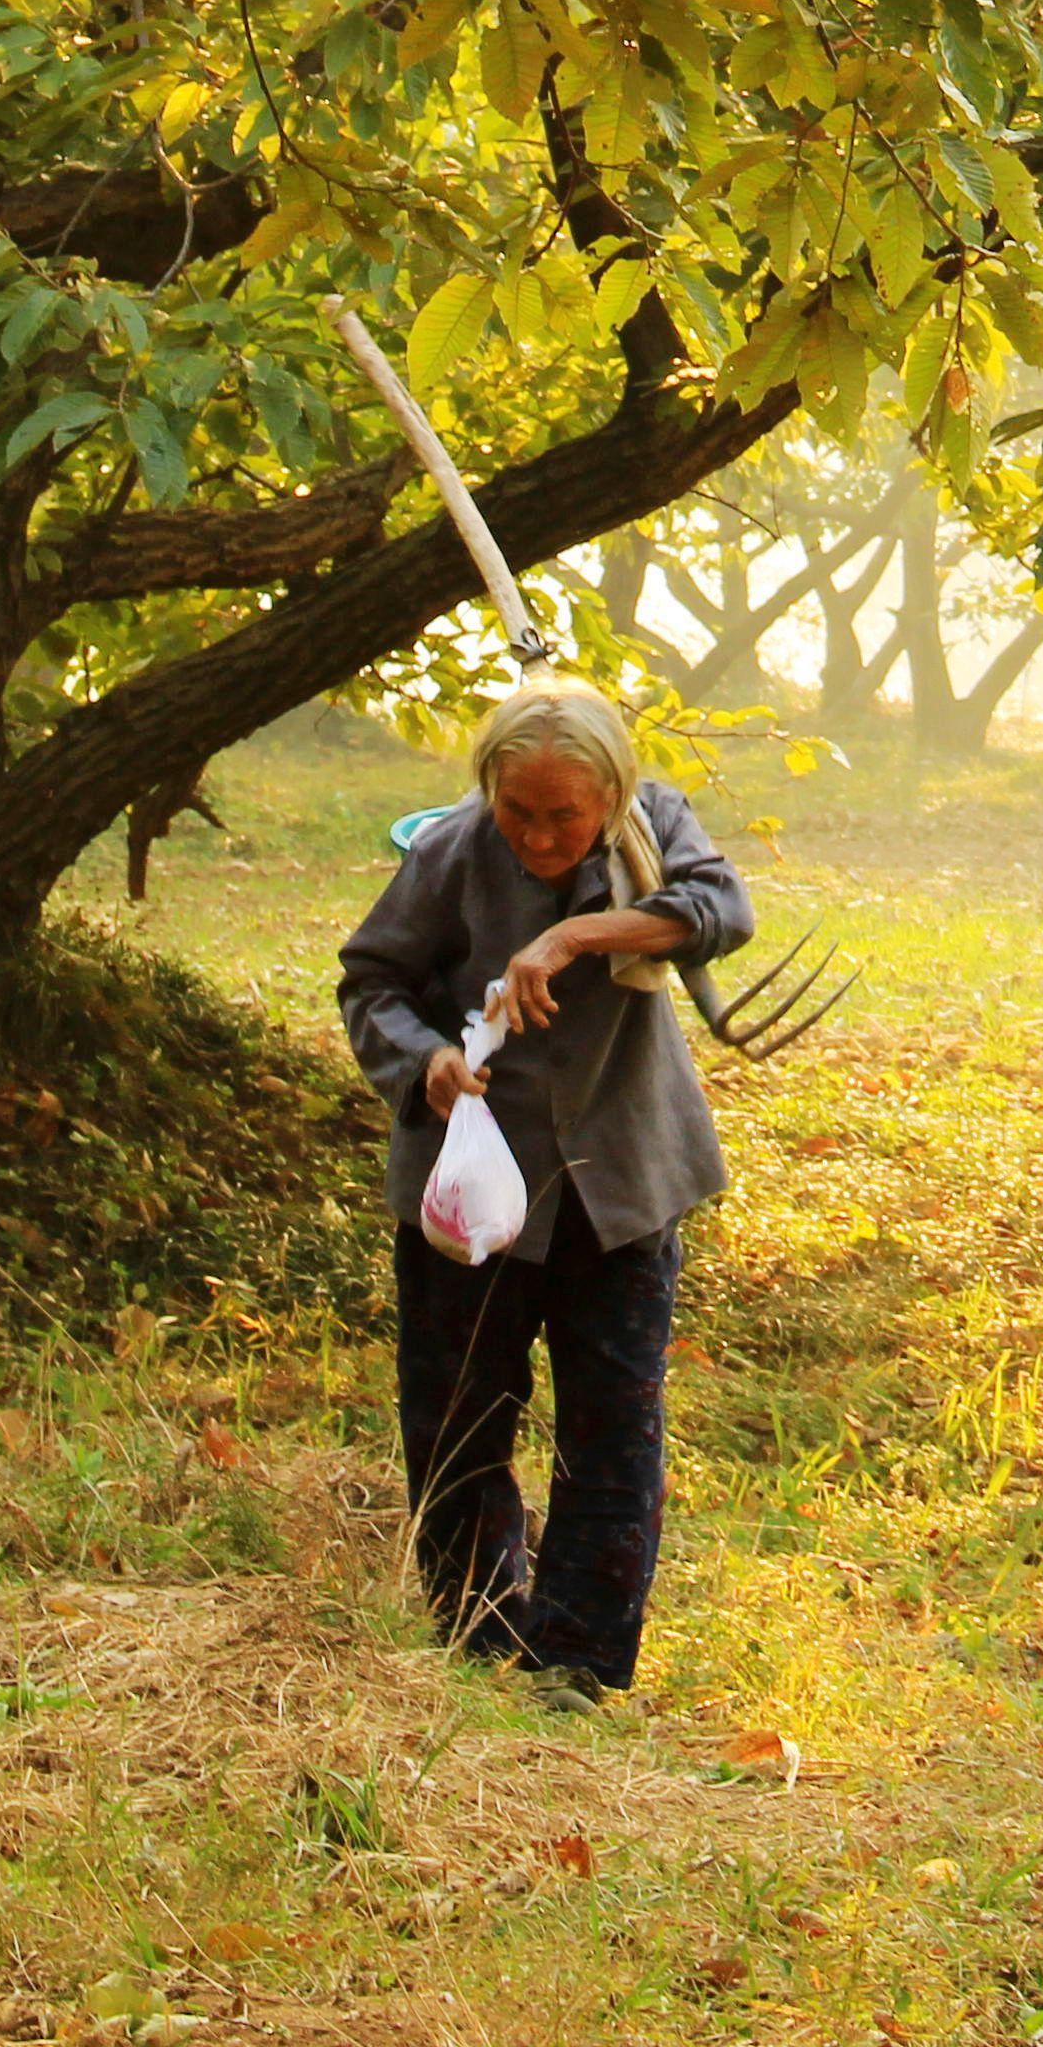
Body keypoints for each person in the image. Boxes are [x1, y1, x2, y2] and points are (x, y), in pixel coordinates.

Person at [335, 677, 752, 1697]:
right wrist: (424, 1062)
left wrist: (574, 936)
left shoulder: (652, 830)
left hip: (622, 1180)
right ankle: (482, 1638)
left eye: (567, 815)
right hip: (472, 1191)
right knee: (459, 1418)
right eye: (519, 810)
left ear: (610, 797)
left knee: (612, 1423)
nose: (542, 834)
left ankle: (578, 1658)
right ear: (488, 792)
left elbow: (720, 910)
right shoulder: (451, 854)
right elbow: (370, 983)